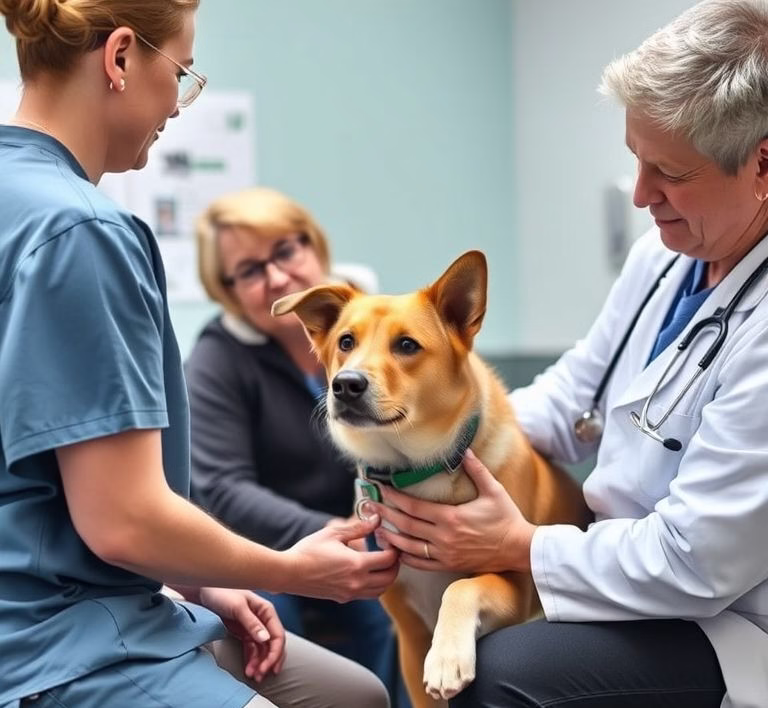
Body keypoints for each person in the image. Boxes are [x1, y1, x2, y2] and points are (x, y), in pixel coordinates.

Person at [363, 1, 768, 706]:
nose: (641, 196)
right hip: (610, 564)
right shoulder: (664, 260)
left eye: (670, 172)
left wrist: (518, 545)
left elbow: (695, 562)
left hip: (723, 622)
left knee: (500, 671)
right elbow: (570, 394)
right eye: (635, 161)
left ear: (762, 164)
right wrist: (429, 464)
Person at [0, 2, 400, 707]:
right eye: (181, 72)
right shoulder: (81, 231)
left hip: (91, 596)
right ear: (120, 58)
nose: (180, 106)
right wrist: (290, 568)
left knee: (355, 694)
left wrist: (198, 581)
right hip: (55, 644)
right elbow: (123, 520)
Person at [186, 186, 410, 707]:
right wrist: (325, 532)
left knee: (393, 609)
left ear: (314, 246)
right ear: (227, 291)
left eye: (286, 251)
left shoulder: (370, 323)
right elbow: (223, 488)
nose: (278, 278)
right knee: (269, 623)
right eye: (250, 270)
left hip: (360, 535)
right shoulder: (218, 360)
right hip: (256, 548)